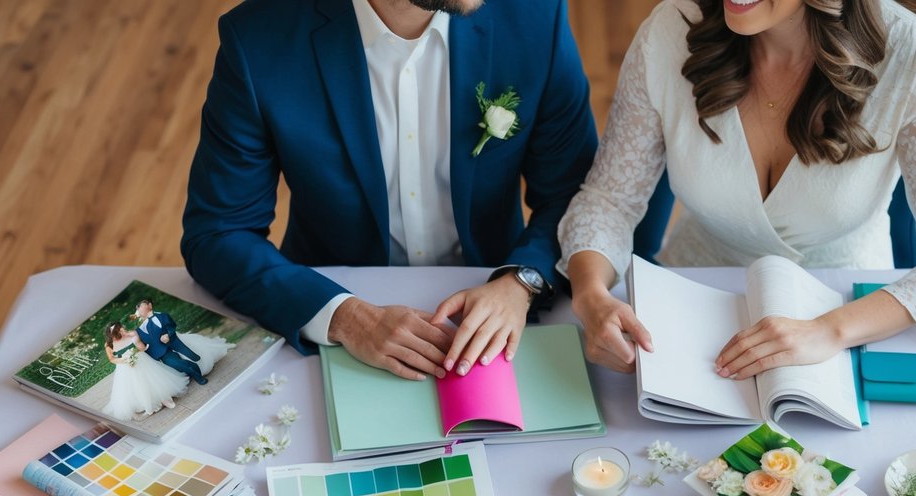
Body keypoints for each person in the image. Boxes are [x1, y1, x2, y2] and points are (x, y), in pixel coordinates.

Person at [182, 0, 668, 381]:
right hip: (334, 311)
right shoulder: (259, 40)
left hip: (500, 308)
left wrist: (520, 282)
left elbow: (573, 193)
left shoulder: (534, 15)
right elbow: (219, 232)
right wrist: (347, 318)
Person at [559, 0, 916, 378]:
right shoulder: (668, 31)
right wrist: (591, 296)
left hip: (850, 315)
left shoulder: (914, 52)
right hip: (691, 306)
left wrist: (829, 330)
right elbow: (608, 201)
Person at [102, 323, 188, 419]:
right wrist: (124, 360)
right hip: (126, 366)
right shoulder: (109, 344)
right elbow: (112, 359)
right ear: (113, 333)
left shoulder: (131, 334)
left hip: (142, 360)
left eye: (121, 328)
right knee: (138, 385)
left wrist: (132, 337)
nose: (122, 329)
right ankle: (149, 402)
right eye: (119, 329)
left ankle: (163, 397)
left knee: (151, 379)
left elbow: (142, 348)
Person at [133, 300, 209, 385]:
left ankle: (194, 368)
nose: (139, 308)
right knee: (176, 364)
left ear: (150, 305)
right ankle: (198, 376)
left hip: (174, 343)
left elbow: (172, 327)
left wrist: (168, 335)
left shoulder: (163, 316)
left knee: (185, 360)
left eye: (141, 306)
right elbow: (146, 338)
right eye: (138, 308)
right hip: (163, 351)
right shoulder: (144, 326)